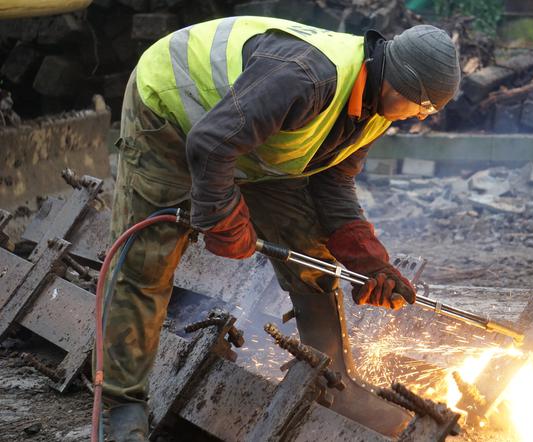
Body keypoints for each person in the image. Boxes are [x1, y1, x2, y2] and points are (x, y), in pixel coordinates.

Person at [104, 15, 460, 441]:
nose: (420, 117)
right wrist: (224, 217)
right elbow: (209, 143)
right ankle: (122, 406)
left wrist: (367, 259)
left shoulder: (377, 105)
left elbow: (332, 179)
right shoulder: (308, 79)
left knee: (310, 251)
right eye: (424, 108)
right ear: (399, 84)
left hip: (247, 139)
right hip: (171, 109)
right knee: (147, 260)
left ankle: (331, 382)